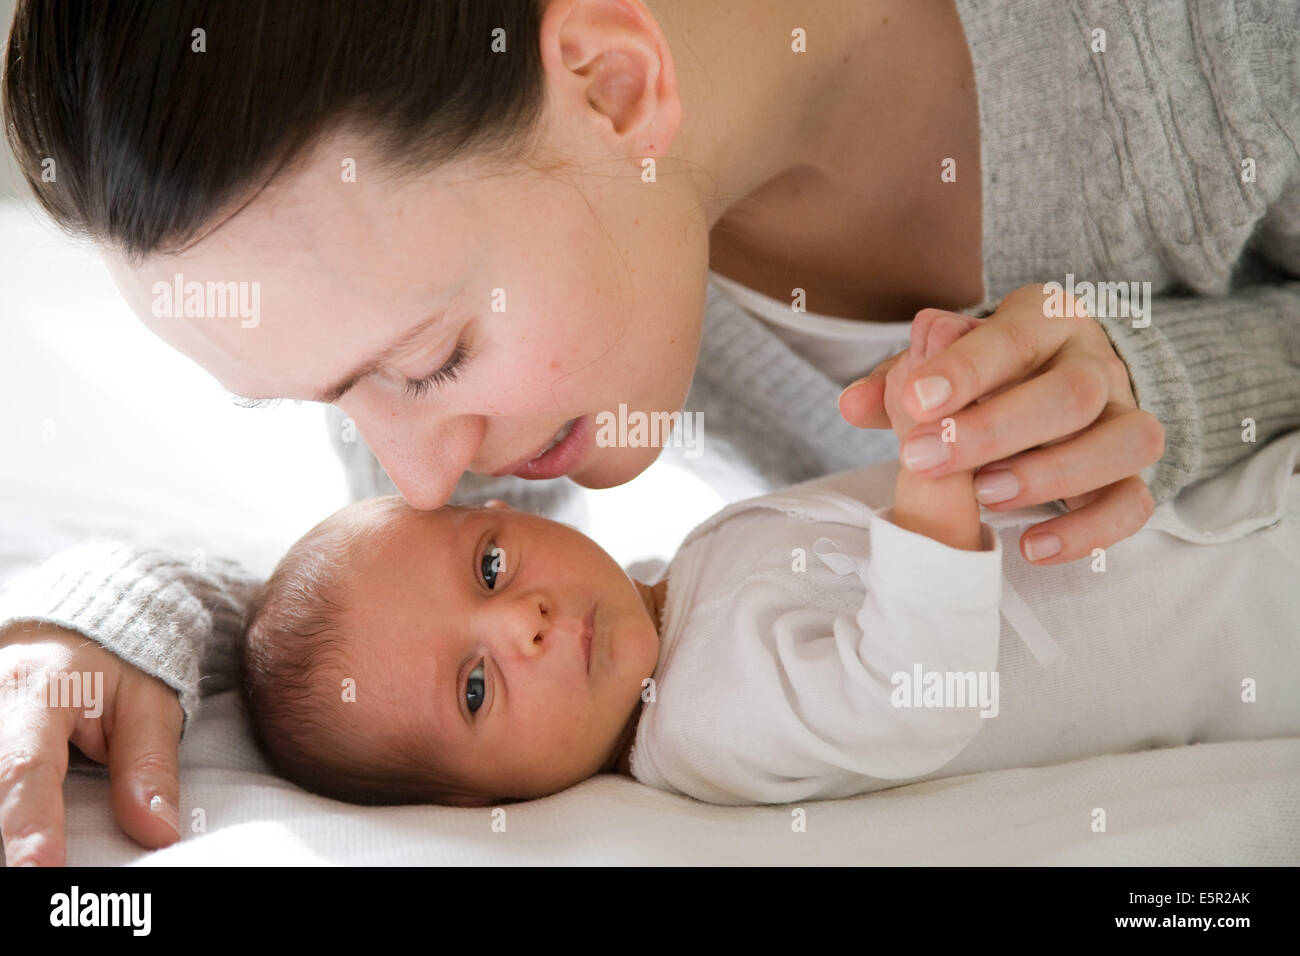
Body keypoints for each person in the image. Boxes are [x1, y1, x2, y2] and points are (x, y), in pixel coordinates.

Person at [1, 0, 1297, 862]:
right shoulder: (477, 323)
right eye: (335, 398)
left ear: (615, 87)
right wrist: (112, 617)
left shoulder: (1210, 53)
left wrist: (1164, 376)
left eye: (429, 360)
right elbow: (363, 602)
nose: (422, 472)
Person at [236, 313, 1300, 806]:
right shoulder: (703, 730)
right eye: (475, 688)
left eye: (489, 565)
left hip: (1210, 507)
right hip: (1240, 626)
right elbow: (912, 693)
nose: (524, 621)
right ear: (477, 806)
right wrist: (931, 469)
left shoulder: (671, 590)